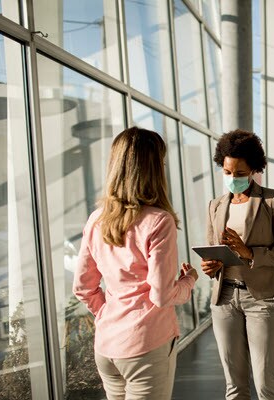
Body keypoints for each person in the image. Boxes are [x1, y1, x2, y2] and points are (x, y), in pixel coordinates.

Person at [72, 127, 198, 400]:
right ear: (154, 169)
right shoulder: (159, 221)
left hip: (107, 346)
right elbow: (162, 295)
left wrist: (107, 314)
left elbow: (83, 287)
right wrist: (189, 281)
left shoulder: (96, 219)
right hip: (145, 346)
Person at [200, 129, 274, 400]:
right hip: (224, 300)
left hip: (262, 300)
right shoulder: (215, 205)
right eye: (228, 172)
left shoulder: (271, 200)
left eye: (240, 173)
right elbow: (215, 251)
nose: (233, 178)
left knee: (267, 385)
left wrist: (250, 253)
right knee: (234, 386)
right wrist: (212, 266)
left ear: (255, 169)